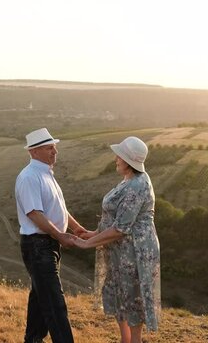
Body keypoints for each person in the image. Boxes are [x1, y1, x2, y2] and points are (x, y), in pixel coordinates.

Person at [75, 136, 161, 343]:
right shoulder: (130, 180)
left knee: (132, 296)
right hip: (121, 250)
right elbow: (115, 219)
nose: (115, 158)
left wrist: (87, 243)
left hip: (134, 251)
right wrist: (94, 234)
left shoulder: (136, 186)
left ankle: (134, 341)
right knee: (119, 292)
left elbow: (121, 228)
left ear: (128, 160)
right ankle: (125, 340)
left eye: (120, 156)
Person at [15, 127, 88, 343]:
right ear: (34, 152)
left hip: (47, 245)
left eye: (54, 147)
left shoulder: (46, 173)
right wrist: (60, 235)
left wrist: (76, 229)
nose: (55, 152)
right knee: (55, 302)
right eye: (49, 148)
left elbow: (58, 208)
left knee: (40, 297)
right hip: (38, 245)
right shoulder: (29, 177)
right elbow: (34, 213)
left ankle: (33, 339)